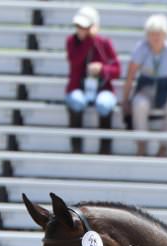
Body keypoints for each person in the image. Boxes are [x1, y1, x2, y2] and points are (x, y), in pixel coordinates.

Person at [120, 14, 167, 157]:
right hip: (146, 87)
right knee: (139, 104)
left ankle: (164, 146)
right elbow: (130, 76)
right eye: (152, 34)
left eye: (159, 34)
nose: (155, 38)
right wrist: (125, 100)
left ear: (165, 34)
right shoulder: (141, 48)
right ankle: (141, 144)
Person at [64, 6, 121, 155]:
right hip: (79, 87)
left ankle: (105, 148)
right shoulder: (71, 42)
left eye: (84, 26)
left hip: (102, 88)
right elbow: (75, 62)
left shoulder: (105, 43)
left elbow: (117, 70)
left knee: (104, 104)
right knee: (77, 101)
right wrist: (89, 41)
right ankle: (76, 147)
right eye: (78, 26)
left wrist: (102, 69)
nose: (80, 30)